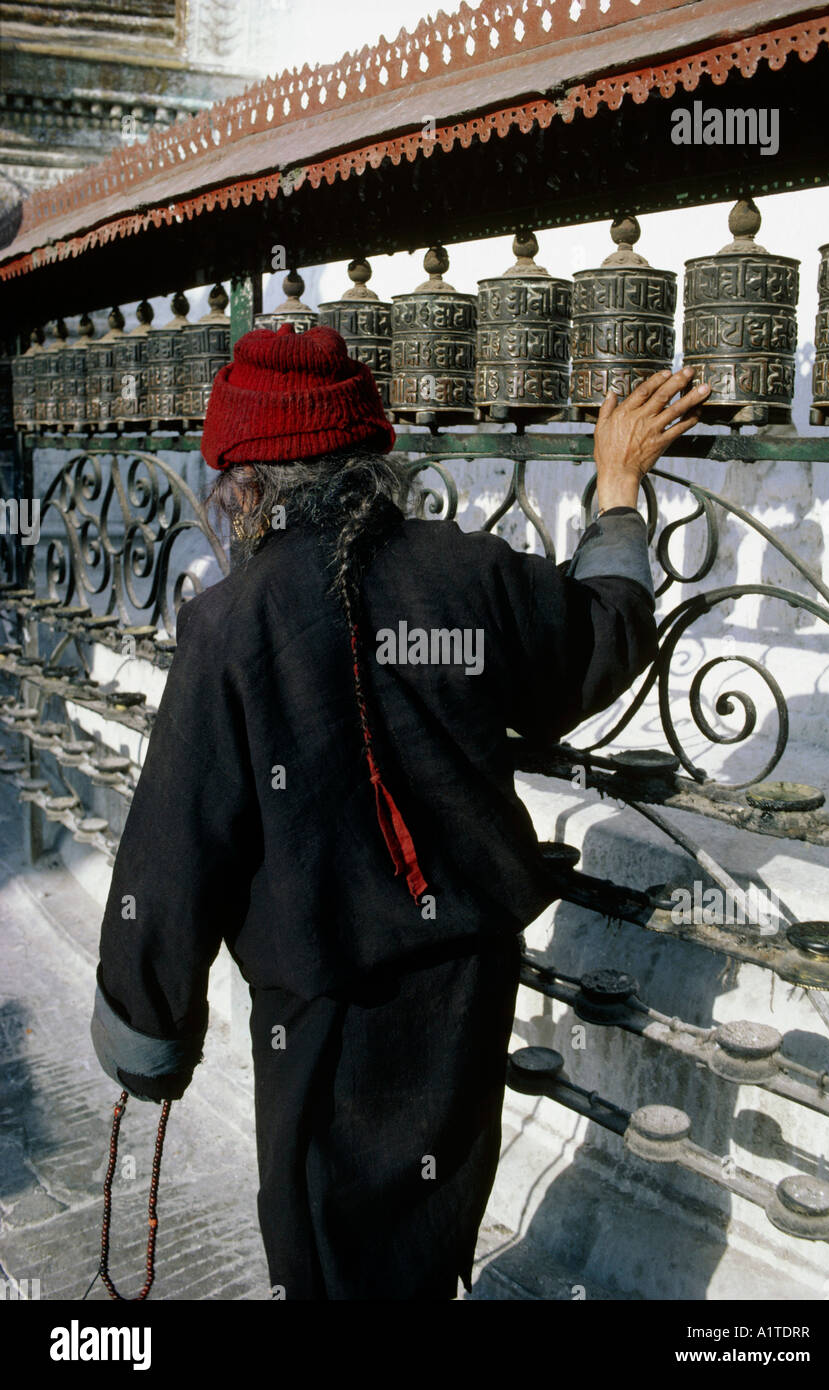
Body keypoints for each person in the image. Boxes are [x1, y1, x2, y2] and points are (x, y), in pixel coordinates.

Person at [91, 324, 709, 1300]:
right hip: (464, 988)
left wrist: (147, 1024)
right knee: (427, 1234)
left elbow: (175, 850)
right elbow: (597, 638)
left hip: (320, 1011)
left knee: (325, 1253)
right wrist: (616, 491)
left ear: (245, 483)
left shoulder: (229, 623)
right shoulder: (464, 574)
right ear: (364, 460)